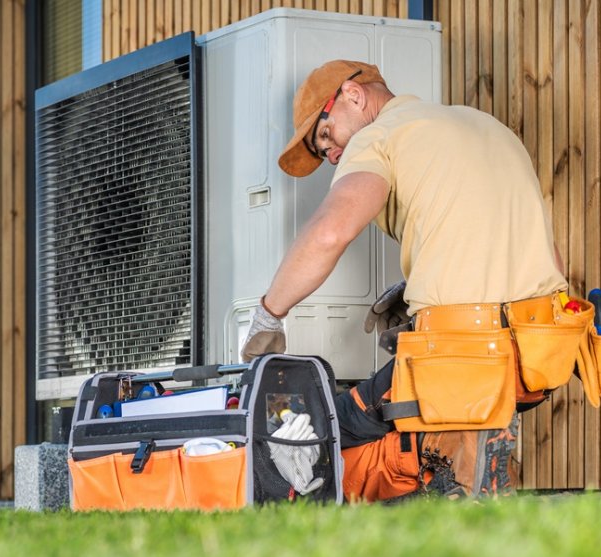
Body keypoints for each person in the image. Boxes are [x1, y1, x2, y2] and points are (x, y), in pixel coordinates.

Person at [241, 60, 571, 501]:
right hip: (538, 355)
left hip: (462, 355)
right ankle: (466, 460)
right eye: (324, 154)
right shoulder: (485, 125)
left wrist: (269, 315)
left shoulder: (380, 136)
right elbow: (549, 257)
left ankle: (449, 477)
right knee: (415, 412)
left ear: (352, 96)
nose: (332, 155)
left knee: (325, 426)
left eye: (326, 136)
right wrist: (426, 288)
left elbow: (330, 232)